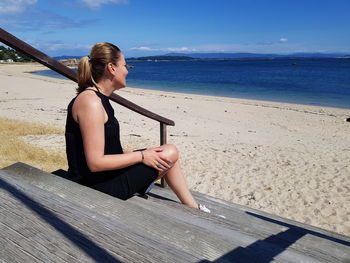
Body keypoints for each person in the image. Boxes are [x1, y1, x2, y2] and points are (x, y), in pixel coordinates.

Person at [65, 42, 210, 213]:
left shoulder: (98, 98)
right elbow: (95, 163)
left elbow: (109, 152)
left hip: (103, 178)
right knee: (169, 152)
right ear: (111, 68)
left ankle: (194, 208)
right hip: (93, 187)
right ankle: (194, 208)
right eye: (124, 65)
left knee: (164, 153)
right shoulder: (91, 102)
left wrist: (145, 154)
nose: (127, 70)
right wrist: (141, 156)